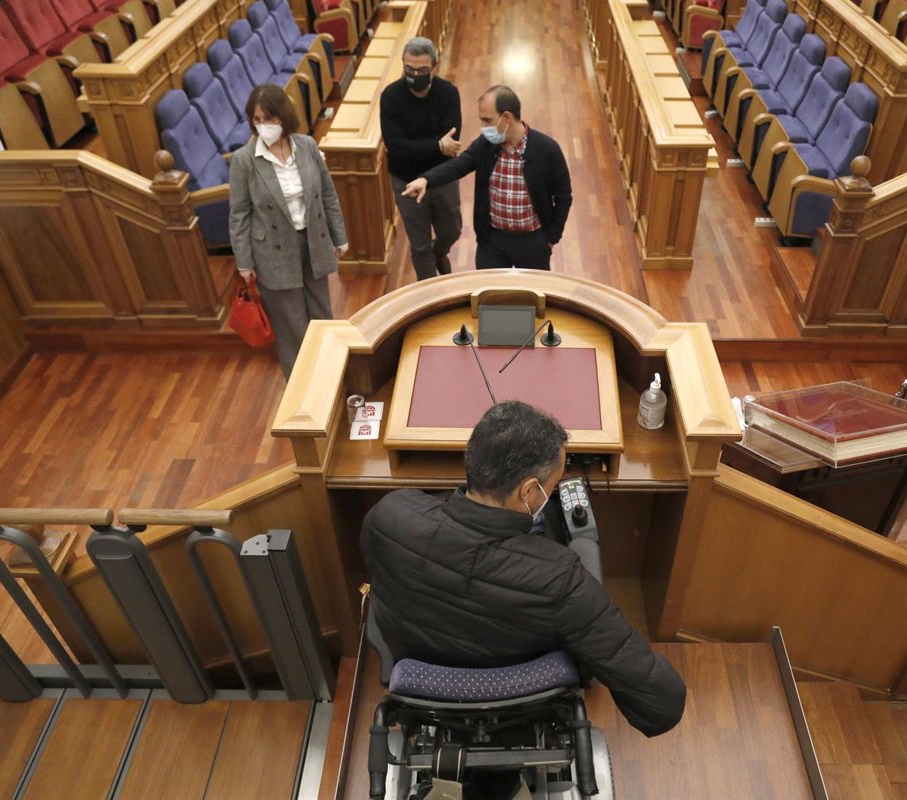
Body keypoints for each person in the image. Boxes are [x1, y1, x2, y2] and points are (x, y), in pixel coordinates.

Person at [360, 401, 686, 739]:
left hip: (424, 666)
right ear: (529, 490)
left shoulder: (388, 517)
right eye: (553, 484)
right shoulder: (561, 579)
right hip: (521, 689)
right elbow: (663, 704)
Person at [229, 84, 349, 378]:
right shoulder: (244, 160)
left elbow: (327, 193)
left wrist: (339, 236)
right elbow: (239, 215)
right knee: (292, 326)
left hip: (313, 241)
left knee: (322, 316)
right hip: (273, 251)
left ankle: (333, 378)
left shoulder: (306, 146)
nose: (264, 126)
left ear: (283, 116)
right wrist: (244, 262)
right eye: (257, 120)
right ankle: (302, 388)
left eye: (270, 119)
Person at [403, 86, 572, 270]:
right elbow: (460, 165)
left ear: (506, 118)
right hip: (493, 241)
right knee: (487, 289)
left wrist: (550, 239)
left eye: (487, 120)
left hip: (532, 242)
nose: (483, 128)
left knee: (532, 290)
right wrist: (426, 179)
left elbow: (563, 197)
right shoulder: (486, 145)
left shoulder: (547, 149)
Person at [380, 37, 462, 281]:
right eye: (409, 69)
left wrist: (420, 148)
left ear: (434, 68)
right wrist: (437, 146)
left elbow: (453, 141)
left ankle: (440, 251)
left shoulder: (448, 93)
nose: (415, 75)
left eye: (422, 70)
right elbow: (396, 147)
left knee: (452, 231)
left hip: (442, 177)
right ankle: (430, 294)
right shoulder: (390, 97)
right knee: (419, 246)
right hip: (406, 182)